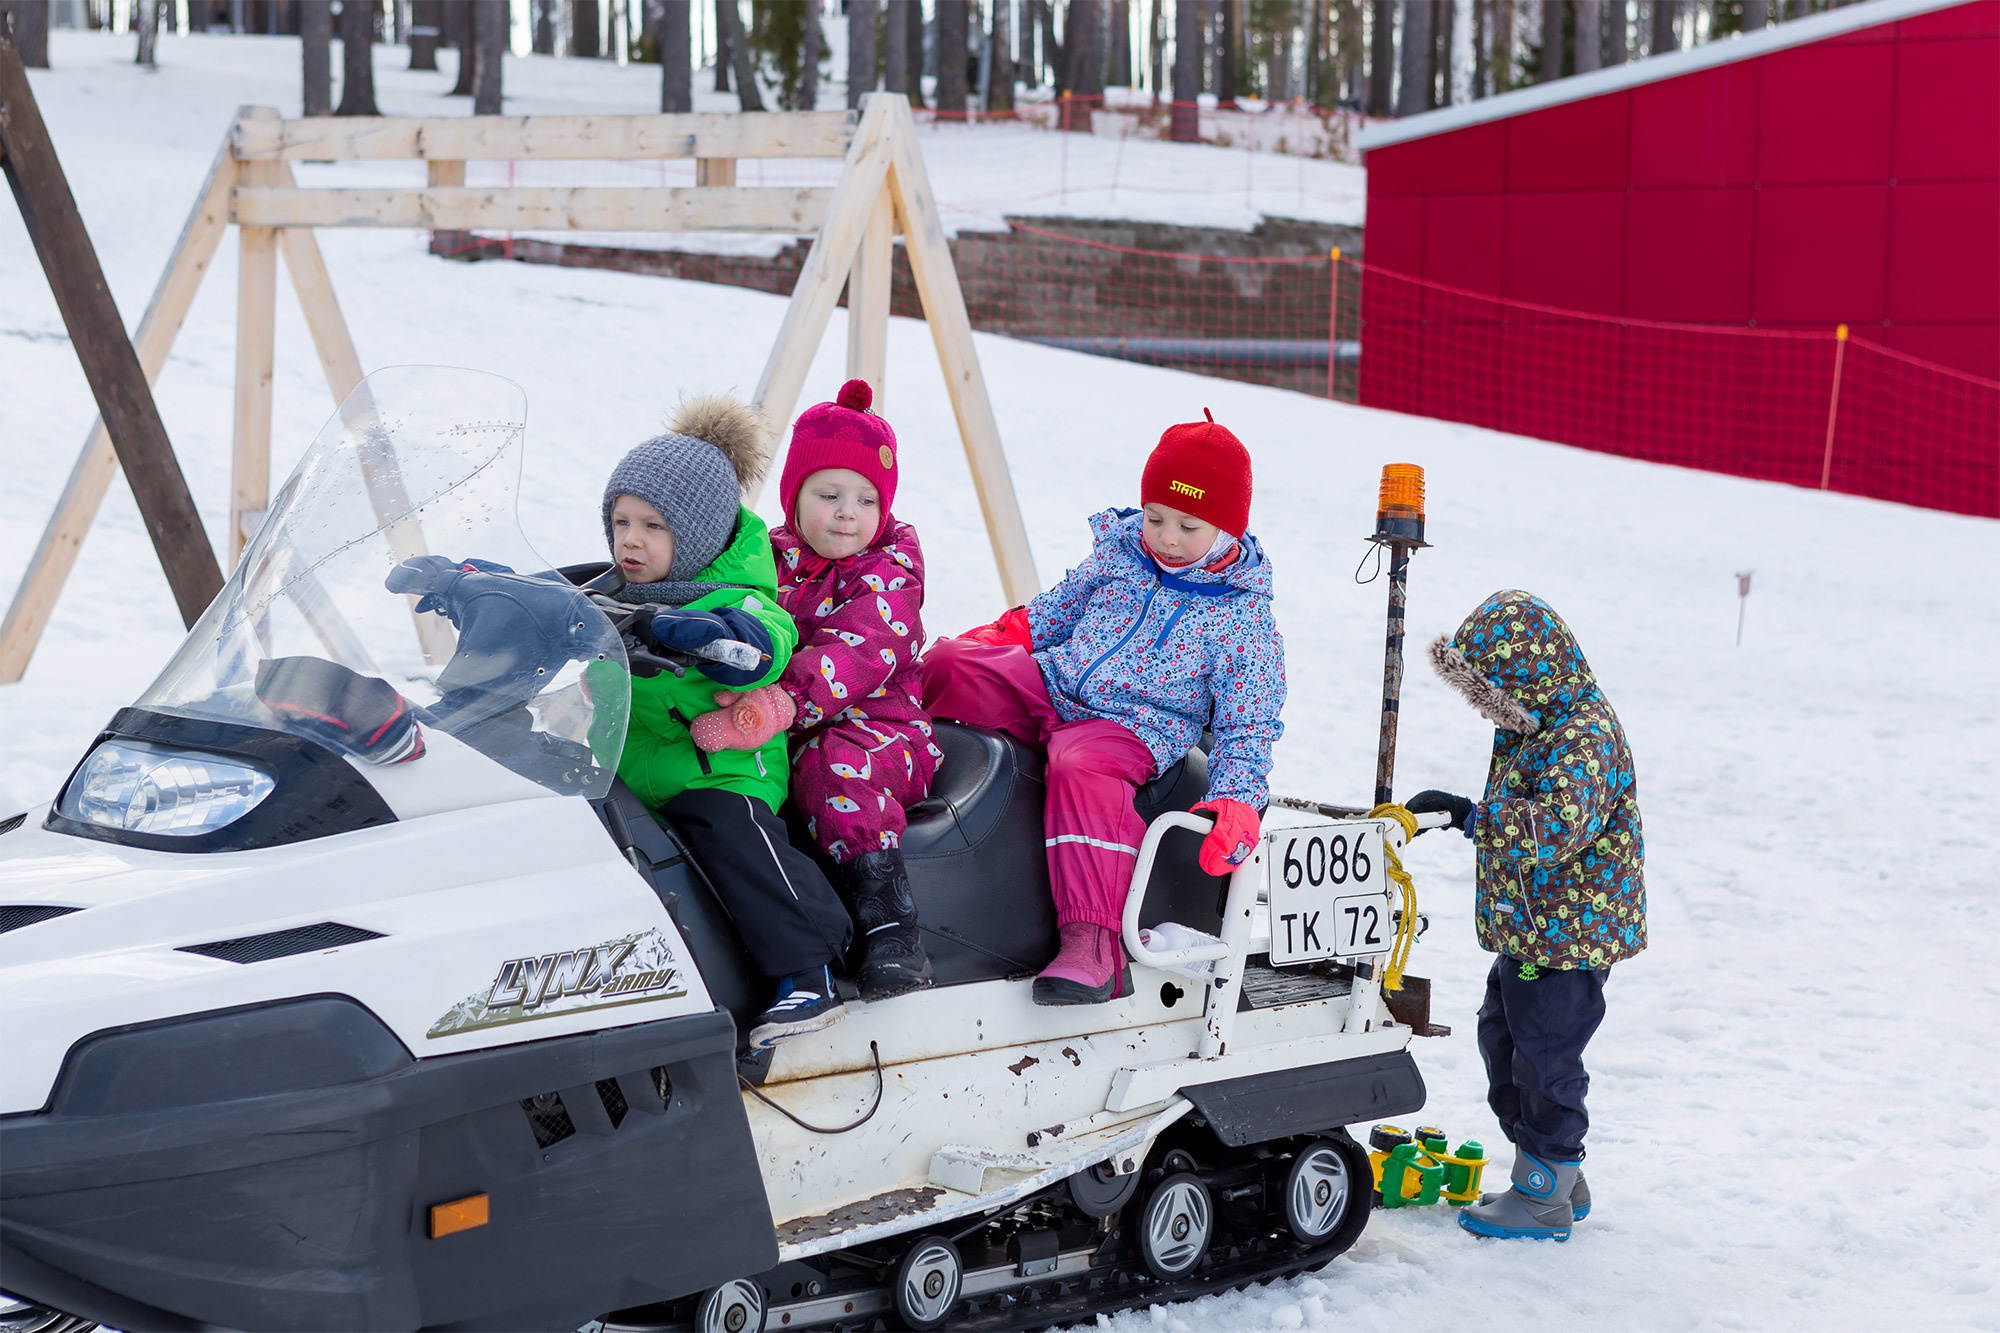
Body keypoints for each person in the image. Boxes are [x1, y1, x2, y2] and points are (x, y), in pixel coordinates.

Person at [923, 411, 1284, 1006]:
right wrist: (990, 642)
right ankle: (879, 765)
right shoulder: (1121, 556)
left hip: (1134, 727)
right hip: (1059, 686)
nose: (1166, 538)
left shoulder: (1242, 617)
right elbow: (1050, 617)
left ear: (1226, 531)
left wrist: (1236, 802)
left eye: (1187, 526)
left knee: (1080, 764)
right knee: (946, 666)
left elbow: (1249, 723)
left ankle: (1093, 945)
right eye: (1155, 517)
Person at [598, 395, 855, 1050]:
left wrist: (705, 633)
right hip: (630, 767)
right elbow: (560, 600)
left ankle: (810, 963)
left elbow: (765, 644)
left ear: (699, 535)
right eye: (621, 520)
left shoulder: (742, 599)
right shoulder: (619, 589)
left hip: (724, 768)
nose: (631, 538)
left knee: (731, 831)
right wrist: (476, 584)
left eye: (653, 526)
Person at [1405, 590, 1646, 1242]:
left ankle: (1545, 1191)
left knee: (1544, 1057)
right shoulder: (1533, 721)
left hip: (1569, 936)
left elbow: (1558, 827)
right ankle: (1558, 1167)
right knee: (1501, 1036)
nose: (1488, 709)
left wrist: (1470, 816)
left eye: (1494, 693)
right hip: (1537, 928)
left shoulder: (1585, 736)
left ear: (1531, 675)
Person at [767, 379, 936, 1000]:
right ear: (794, 496)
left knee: (835, 765)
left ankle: (893, 926)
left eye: (867, 500)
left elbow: (859, 651)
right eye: (829, 494)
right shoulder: (768, 557)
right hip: (786, 718)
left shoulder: (890, 573)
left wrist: (784, 699)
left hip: (884, 732)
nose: (848, 513)